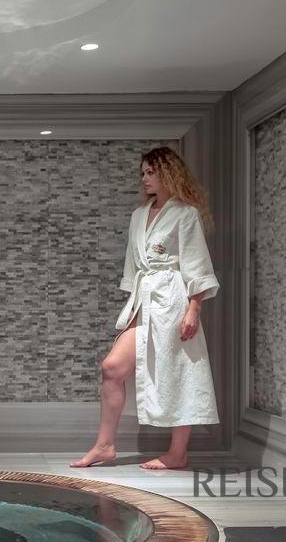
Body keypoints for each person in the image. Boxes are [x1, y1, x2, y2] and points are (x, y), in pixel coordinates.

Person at [71, 146, 221, 470]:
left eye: (151, 172)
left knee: (181, 371)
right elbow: (133, 266)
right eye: (143, 173)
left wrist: (194, 309)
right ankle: (105, 445)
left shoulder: (185, 214)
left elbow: (196, 263)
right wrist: (133, 308)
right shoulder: (139, 216)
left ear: (168, 173)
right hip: (145, 300)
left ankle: (177, 453)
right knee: (112, 368)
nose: (145, 179)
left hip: (173, 300)